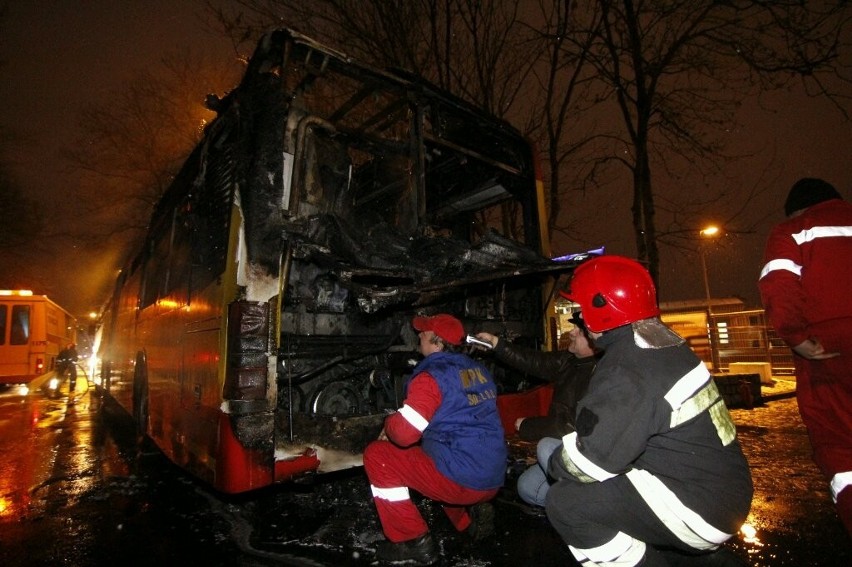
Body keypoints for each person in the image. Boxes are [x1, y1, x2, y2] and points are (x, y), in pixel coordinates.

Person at [546, 255, 753, 566]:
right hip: (720, 489)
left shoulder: (627, 369)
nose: (580, 319)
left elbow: (592, 462)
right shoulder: (662, 345)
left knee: (567, 503)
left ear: (599, 309)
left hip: (699, 506)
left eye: (581, 310)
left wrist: (553, 464)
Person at [363, 313, 507, 566]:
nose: (419, 335)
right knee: (438, 452)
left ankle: (412, 542)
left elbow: (405, 434)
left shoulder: (431, 377)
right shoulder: (478, 369)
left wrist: (389, 424)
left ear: (437, 342)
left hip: (464, 481)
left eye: (424, 332)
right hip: (493, 475)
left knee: (378, 456)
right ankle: (467, 519)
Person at [758, 177, 852, 536]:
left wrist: (797, 337)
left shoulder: (792, 231)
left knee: (840, 446)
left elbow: (779, 284)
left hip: (830, 347)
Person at [475, 312, 597, 508]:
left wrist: (527, 425)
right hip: (565, 442)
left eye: (579, 331)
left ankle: (592, 511)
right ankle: (569, 510)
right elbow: (535, 360)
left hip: (587, 453)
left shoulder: (600, 374)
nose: (572, 332)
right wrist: (498, 344)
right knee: (528, 488)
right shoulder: (570, 361)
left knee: (546, 447)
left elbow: (573, 428)